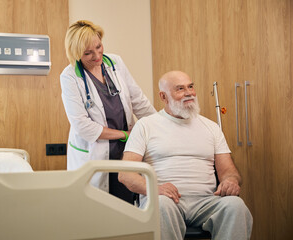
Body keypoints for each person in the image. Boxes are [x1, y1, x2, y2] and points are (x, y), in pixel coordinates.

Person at [118, 71, 253, 239]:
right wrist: (155, 189)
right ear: (163, 96)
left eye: (190, 86)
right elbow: (125, 174)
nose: (189, 92)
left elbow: (228, 170)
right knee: (161, 206)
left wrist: (231, 181)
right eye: (180, 89)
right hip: (165, 200)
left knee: (236, 206)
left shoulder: (211, 127)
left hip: (207, 201)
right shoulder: (146, 126)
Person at [60, 20, 156, 204]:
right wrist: (126, 135)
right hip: (93, 154)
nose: (97, 55)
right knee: (98, 209)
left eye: (99, 46)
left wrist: (159, 126)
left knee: (127, 203)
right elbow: (83, 126)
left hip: (125, 151)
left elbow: (138, 101)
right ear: (76, 53)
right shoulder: (69, 76)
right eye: (88, 53)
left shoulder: (115, 62)